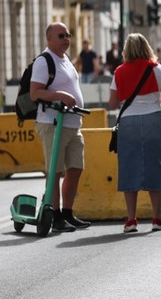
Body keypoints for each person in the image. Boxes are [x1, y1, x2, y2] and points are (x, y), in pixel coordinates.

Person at [109, 33, 161, 233]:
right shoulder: (157, 69)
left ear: (126, 50)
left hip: (128, 121)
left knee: (129, 165)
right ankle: (156, 217)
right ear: (146, 47)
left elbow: (112, 103)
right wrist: (152, 98)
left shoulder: (119, 71)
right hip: (153, 117)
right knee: (155, 164)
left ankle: (131, 219)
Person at [30, 22, 91, 232]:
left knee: (75, 168)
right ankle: (54, 215)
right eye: (61, 36)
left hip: (73, 124)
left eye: (68, 35)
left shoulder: (66, 60)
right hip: (52, 124)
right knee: (54, 172)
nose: (66, 39)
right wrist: (59, 95)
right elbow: (35, 93)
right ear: (49, 39)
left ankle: (67, 212)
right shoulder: (44, 61)